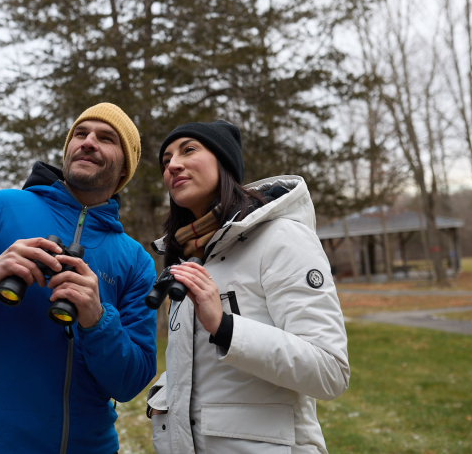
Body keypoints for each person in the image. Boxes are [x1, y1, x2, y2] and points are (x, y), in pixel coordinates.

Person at [0, 103, 158, 454]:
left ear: (124, 166)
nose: (88, 142)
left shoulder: (135, 260)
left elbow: (131, 382)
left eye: (106, 138)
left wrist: (98, 320)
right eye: (80, 134)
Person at [147, 120, 350, 454]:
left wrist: (225, 328)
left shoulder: (282, 238)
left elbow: (330, 371)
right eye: (166, 159)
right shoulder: (187, 257)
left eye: (189, 150)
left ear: (224, 163)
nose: (173, 165)